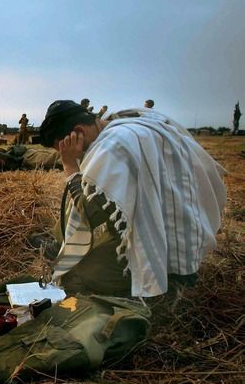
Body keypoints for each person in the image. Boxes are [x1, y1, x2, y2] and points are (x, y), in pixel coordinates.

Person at [39, 100, 226, 298]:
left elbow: (91, 216)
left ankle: (161, 284)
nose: (77, 155)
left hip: (165, 259)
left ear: (78, 131)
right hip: (185, 243)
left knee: (77, 274)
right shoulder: (134, 121)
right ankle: (60, 241)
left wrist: (69, 166)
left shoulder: (113, 145)